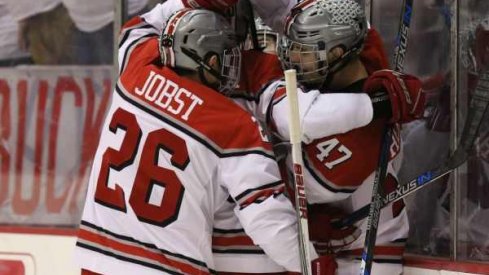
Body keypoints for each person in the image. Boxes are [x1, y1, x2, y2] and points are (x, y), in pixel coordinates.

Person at [73, 6, 335, 275]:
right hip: (168, 266)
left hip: (97, 259)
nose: (232, 70)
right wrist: (312, 264)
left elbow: (136, 26)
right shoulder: (231, 123)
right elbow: (268, 221)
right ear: (208, 61)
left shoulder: (136, 68)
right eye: (226, 59)